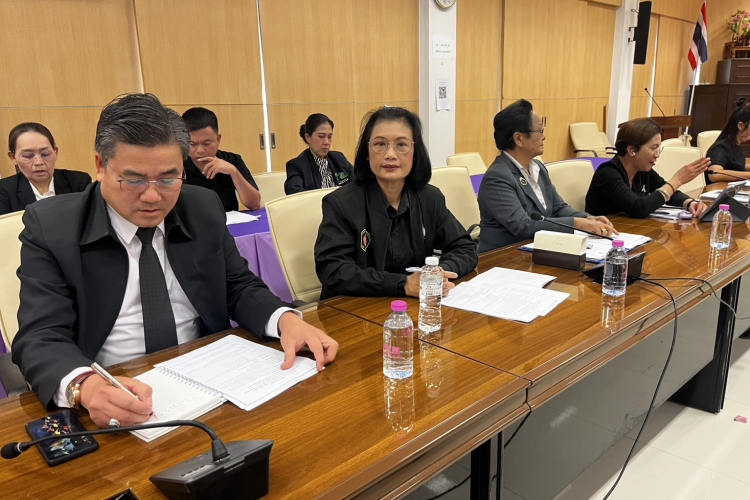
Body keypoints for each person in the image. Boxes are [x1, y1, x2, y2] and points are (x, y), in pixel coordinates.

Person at [13, 94, 338, 428]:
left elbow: (238, 286)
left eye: (169, 179)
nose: (153, 196)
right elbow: (40, 336)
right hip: (114, 387)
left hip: (212, 379)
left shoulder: (201, 207)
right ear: (100, 165)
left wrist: (286, 320)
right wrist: (86, 386)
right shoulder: (53, 227)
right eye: (134, 179)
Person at [315, 106, 477, 300]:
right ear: (367, 152)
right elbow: (333, 270)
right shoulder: (341, 203)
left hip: (415, 306)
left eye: (401, 144)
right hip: (359, 307)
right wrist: (403, 285)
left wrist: (437, 273)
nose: (390, 154)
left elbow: (465, 248)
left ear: (415, 152)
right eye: (380, 144)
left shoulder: (430, 198)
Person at [477, 99, 616, 253]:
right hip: (503, 256)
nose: (544, 137)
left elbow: (558, 208)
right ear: (519, 138)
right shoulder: (497, 178)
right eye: (540, 131)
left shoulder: (538, 168)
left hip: (537, 249)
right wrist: (579, 224)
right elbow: (523, 226)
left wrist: (587, 218)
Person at [585, 118, 709, 219]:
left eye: (658, 148)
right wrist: (677, 180)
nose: (657, 155)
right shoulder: (608, 172)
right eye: (653, 148)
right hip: (602, 236)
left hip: (630, 230)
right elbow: (638, 208)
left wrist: (690, 203)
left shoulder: (643, 171)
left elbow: (666, 192)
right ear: (632, 150)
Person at [181, 107, 261, 211]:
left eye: (207, 143)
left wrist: (234, 172)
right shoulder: (178, 166)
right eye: (193, 144)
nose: (200, 150)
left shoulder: (233, 160)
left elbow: (254, 205)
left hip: (229, 221)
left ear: (218, 140)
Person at [1, 123, 91, 215]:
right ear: (13, 157)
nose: (39, 162)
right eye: (28, 156)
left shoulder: (79, 182)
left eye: (45, 154)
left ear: (55, 153)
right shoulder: (4, 191)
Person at [284, 113, 353, 195]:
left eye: (329, 137)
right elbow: (296, 195)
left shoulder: (339, 159)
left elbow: (358, 182)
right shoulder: (296, 166)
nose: (327, 142)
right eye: (321, 136)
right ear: (308, 137)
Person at [705, 98, 750, 184]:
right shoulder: (720, 148)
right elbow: (714, 174)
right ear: (741, 126)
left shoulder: (737, 145)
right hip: (716, 190)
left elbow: (738, 167)